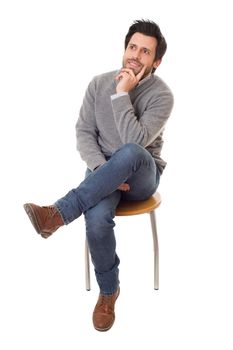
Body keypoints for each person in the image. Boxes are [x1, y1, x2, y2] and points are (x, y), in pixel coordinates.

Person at [23, 19, 174, 332]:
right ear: (124, 48)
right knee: (96, 219)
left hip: (141, 176)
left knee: (130, 153)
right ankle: (109, 291)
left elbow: (136, 140)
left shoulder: (162, 95)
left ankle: (58, 214)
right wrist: (103, 170)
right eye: (132, 47)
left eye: (145, 51)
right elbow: (84, 132)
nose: (135, 54)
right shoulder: (97, 83)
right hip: (101, 172)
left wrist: (122, 94)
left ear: (156, 61)